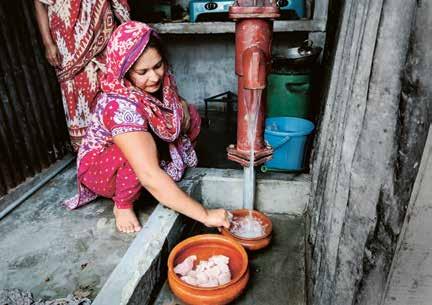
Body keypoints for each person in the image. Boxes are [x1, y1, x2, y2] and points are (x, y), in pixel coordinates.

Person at [64, 21, 230, 233]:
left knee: (190, 115)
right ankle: (122, 204)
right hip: (102, 168)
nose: (154, 77)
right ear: (124, 71)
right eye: (142, 72)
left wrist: (184, 107)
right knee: (135, 158)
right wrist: (205, 215)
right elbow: (148, 173)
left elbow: (171, 106)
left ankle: (159, 182)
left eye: (158, 66)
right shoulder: (119, 106)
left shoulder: (160, 81)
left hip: (135, 147)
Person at [34, 0, 130, 151]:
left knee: (112, 86)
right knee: (77, 91)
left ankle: (126, 146)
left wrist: (127, 27)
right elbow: (39, 3)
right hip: (67, 38)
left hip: (102, 28)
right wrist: (48, 43)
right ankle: (91, 152)